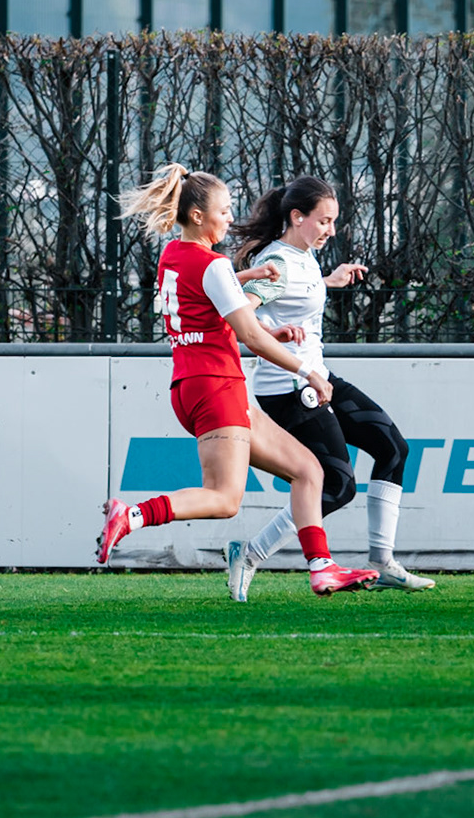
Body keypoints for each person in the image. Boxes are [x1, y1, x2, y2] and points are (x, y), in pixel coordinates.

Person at [96, 163, 380, 599]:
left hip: (191, 385)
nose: (230, 219)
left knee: (309, 471)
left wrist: (250, 287)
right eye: (224, 211)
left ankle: (322, 568)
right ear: (197, 216)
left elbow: (204, 299)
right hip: (218, 387)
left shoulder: (173, 255)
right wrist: (306, 371)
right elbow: (247, 334)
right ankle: (132, 515)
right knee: (225, 499)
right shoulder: (213, 265)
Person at [225, 175, 435, 596]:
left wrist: (329, 281)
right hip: (289, 387)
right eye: (324, 221)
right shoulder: (279, 262)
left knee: (393, 449)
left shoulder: (302, 257)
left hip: (318, 376)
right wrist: (275, 332)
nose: (331, 230)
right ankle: (248, 553)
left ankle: (383, 562)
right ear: (296, 217)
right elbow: (242, 315)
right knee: (337, 486)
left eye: (333, 221)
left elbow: (296, 291)